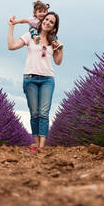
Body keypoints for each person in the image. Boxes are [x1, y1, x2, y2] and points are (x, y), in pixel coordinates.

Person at [8, 12, 64, 151]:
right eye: (47, 19)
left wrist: (61, 48)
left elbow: (58, 62)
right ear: (42, 20)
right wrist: (11, 27)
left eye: (51, 22)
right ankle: (36, 144)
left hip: (47, 79)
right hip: (30, 78)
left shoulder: (54, 41)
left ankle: (41, 147)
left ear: (54, 27)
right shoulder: (30, 36)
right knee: (34, 113)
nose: (48, 23)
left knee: (44, 113)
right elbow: (11, 46)